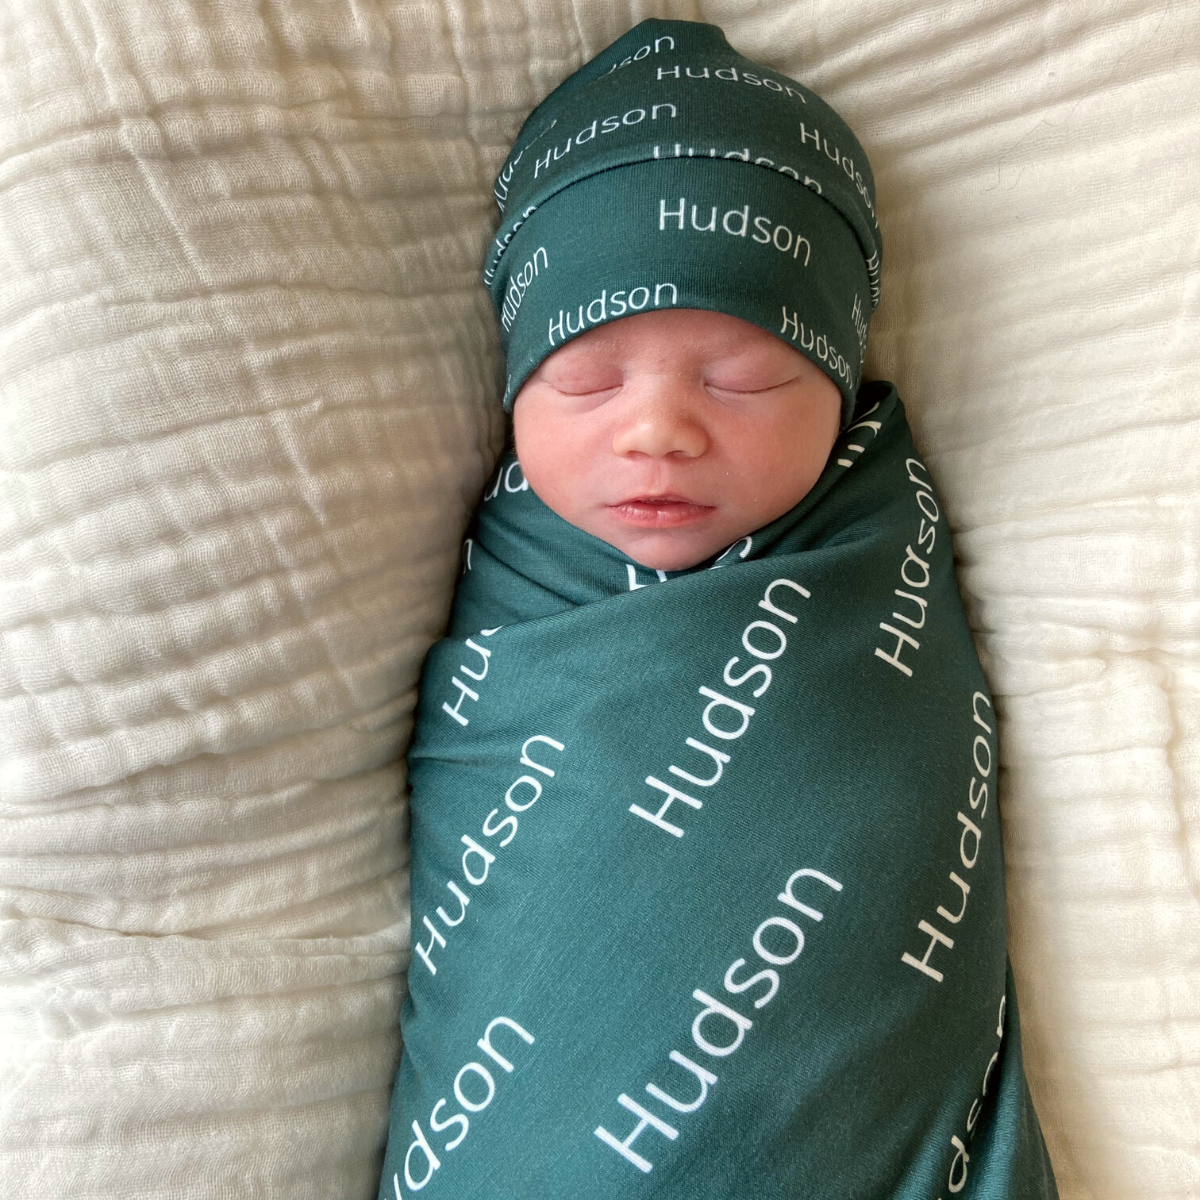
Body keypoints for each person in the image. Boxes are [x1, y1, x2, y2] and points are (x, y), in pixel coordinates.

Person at [378, 18, 1058, 1199]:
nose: (658, 431)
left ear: (839, 377)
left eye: (744, 377)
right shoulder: (511, 581)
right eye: (586, 376)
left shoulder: (873, 557)